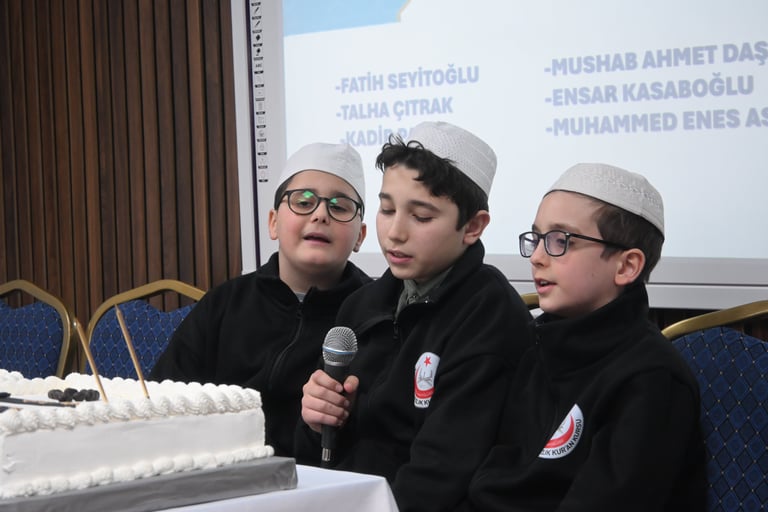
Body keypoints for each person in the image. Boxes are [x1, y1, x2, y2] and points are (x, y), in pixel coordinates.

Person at [296, 121, 534, 512]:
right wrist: (315, 420)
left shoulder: (489, 316)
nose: (394, 232)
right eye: (387, 209)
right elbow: (315, 455)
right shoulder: (362, 304)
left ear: (473, 226)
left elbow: (440, 476)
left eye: (421, 217)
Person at [462, 163, 707, 511]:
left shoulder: (651, 378)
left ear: (626, 266)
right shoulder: (536, 347)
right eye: (536, 238)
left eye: (560, 240)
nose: (537, 257)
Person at [150, 142, 371, 457]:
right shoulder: (225, 304)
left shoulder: (375, 314)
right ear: (273, 223)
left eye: (339, 207)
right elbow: (164, 397)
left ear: (360, 236)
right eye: (304, 202)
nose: (321, 214)